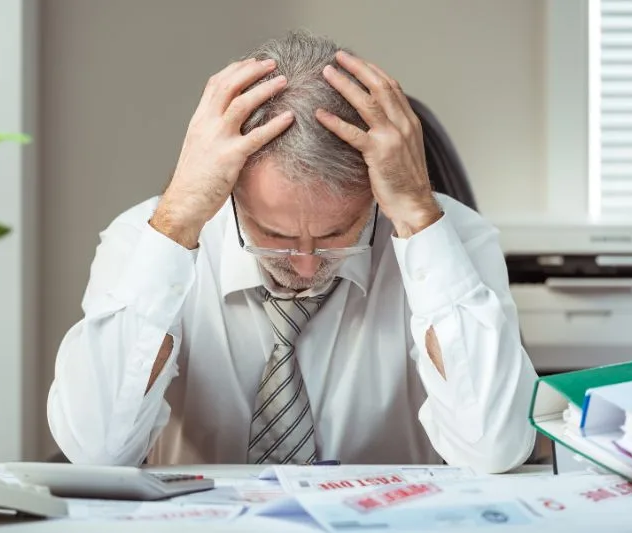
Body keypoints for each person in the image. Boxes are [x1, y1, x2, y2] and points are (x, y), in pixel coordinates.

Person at [47, 31, 538, 473]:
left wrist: (416, 215)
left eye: (337, 233)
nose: (305, 266)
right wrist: (176, 222)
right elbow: (96, 451)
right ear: (231, 189)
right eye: (274, 234)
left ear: (374, 193)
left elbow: (494, 446)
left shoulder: (454, 237)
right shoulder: (146, 238)